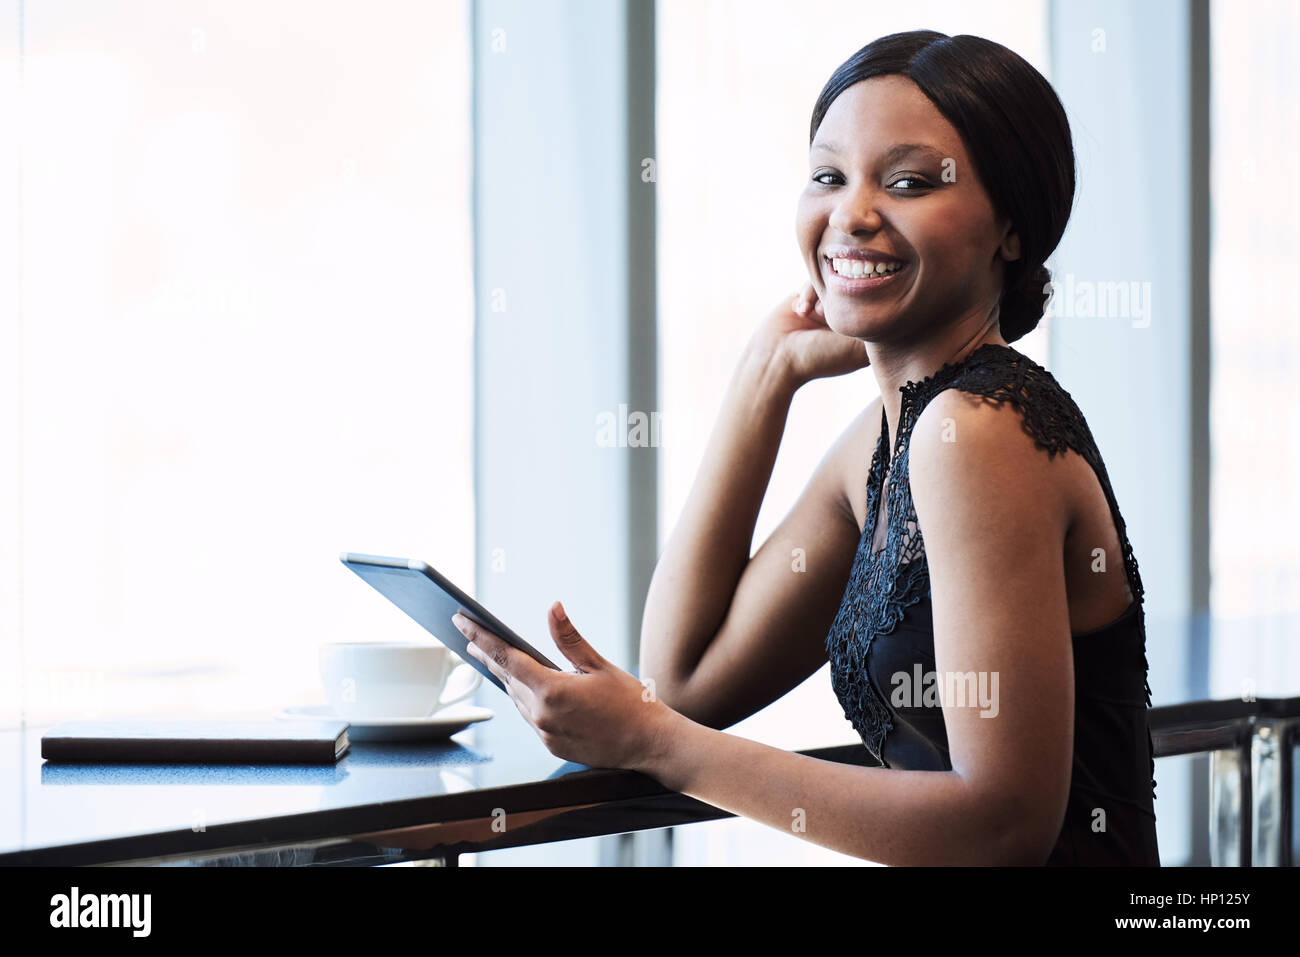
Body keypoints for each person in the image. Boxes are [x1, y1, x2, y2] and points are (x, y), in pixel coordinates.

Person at [452, 29, 1159, 866]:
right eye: (828, 175)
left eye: (906, 182)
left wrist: (657, 743)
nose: (852, 214)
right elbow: (684, 679)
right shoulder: (892, 437)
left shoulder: (975, 435)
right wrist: (766, 373)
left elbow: (1001, 826)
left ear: (1011, 226)